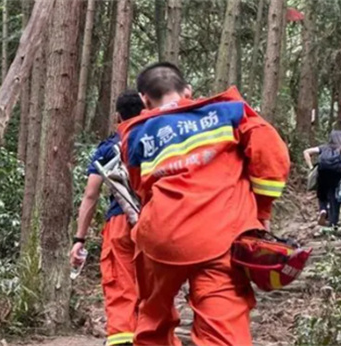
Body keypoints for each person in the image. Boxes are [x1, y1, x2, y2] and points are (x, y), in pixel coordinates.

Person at [118, 62, 290, 346]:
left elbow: (141, 188)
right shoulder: (229, 112)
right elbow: (273, 155)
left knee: (152, 320)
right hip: (220, 236)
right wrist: (261, 210)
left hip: (160, 237)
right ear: (188, 91)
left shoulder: (135, 134)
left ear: (144, 99)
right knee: (223, 329)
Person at [69, 90, 145, 346]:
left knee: (121, 287)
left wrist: (79, 239)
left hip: (120, 222)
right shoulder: (157, 139)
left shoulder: (108, 147)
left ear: (117, 116)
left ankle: (123, 339)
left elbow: (91, 196)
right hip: (158, 223)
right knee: (155, 290)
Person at [303, 129, 341, 228]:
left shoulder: (324, 147)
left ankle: (323, 210)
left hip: (322, 171)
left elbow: (306, 152)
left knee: (322, 193)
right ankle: (333, 221)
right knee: (335, 196)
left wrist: (311, 167)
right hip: (337, 173)